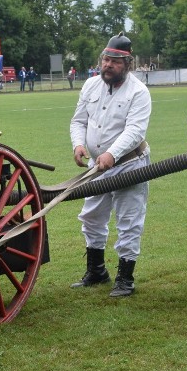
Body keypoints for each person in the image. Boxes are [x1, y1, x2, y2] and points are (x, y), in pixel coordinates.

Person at [69, 32, 152, 298]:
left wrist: (112, 154)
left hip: (130, 165)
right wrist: (78, 144)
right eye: (106, 59)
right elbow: (78, 121)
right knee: (92, 216)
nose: (108, 65)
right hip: (97, 166)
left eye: (115, 61)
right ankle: (96, 271)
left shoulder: (139, 92)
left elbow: (135, 131)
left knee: (129, 221)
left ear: (127, 64)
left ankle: (125, 278)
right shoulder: (91, 85)